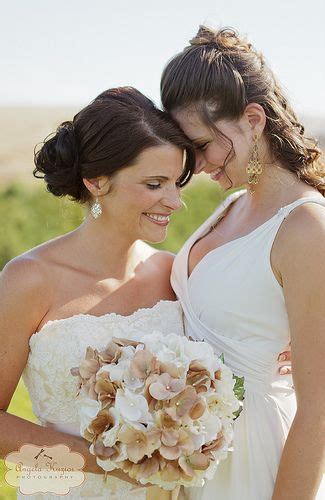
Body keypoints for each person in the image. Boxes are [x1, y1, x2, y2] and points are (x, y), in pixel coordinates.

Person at [161, 25, 325, 500]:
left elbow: (321, 408)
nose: (194, 167)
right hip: (197, 457)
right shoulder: (232, 205)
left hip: (259, 465)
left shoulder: (307, 229)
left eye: (201, 145)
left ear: (253, 119)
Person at [0, 86, 195, 499]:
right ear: (97, 181)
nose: (174, 201)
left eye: (177, 183)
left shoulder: (174, 274)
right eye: (155, 183)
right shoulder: (29, 279)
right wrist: (110, 461)